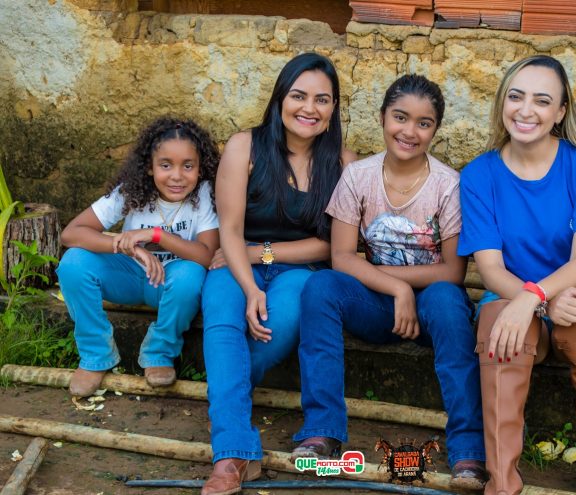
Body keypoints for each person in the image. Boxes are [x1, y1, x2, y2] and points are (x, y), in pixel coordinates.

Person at [291, 74, 487, 491]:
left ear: (435, 129)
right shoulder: (358, 176)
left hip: (434, 307)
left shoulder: (449, 185)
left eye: (423, 123)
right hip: (379, 305)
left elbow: (454, 270)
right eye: (400, 117)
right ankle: (321, 430)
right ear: (382, 118)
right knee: (320, 287)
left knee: (448, 302)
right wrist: (396, 289)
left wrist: (406, 290)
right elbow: (341, 256)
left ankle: (469, 452)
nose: (409, 131)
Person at [457, 55, 576, 495]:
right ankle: (502, 479)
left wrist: (538, 297)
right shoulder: (479, 175)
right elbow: (490, 267)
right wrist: (532, 301)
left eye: (541, 100)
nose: (525, 110)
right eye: (515, 96)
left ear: (561, 111)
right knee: (499, 327)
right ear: (501, 103)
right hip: (510, 296)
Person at [200, 52, 356, 495]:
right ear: (280, 99)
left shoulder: (343, 162)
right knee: (224, 322)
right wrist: (247, 283)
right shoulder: (244, 147)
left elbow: (332, 244)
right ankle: (233, 456)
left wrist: (259, 254)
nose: (309, 108)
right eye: (299, 96)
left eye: (322, 100)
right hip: (234, 264)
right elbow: (228, 228)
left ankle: (224, 397)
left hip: (299, 271)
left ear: (333, 109)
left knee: (275, 329)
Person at [57, 117, 220, 397]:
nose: (177, 176)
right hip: (130, 276)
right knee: (72, 263)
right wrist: (128, 247)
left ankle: (159, 352)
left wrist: (157, 236)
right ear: (149, 167)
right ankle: (96, 355)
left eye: (188, 166)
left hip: (171, 283)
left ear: (200, 167)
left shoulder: (205, 195)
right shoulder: (131, 191)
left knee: (191, 275)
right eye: (165, 165)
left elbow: (206, 256)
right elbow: (71, 233)